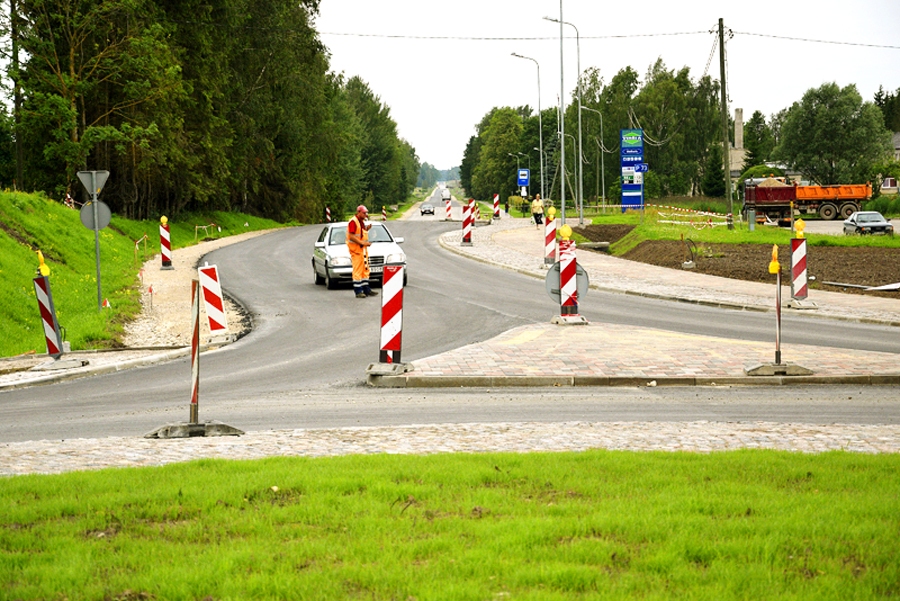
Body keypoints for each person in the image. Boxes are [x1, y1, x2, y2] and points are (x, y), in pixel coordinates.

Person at [346, 205, 378, 298]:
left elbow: (360, 233)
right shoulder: (353, 221)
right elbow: (352, 236)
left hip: (362, 250)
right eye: (364, 213)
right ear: (359, 212)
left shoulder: (361, 222)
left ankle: (366, 289)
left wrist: (367, 229)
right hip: (356, 250)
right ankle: (358, 291)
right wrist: (363, 243)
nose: (365, 215)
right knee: (357, 270)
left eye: (366, 213)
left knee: (365, 270)